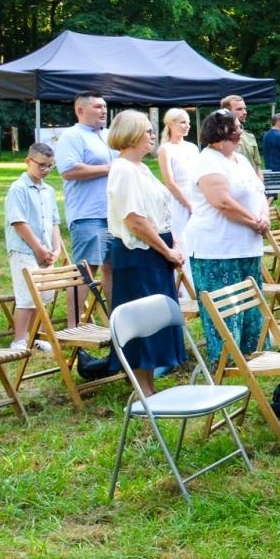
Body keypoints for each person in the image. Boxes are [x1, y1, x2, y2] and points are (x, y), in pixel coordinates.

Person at [103, 110, 187, 395]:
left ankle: (150, 383)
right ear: (132, 134)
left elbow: (160, 213)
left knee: (157, 320)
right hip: (138, 254)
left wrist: (174, 244)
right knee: (141, 321)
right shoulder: (123, 169)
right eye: (147, 131)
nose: (153, 135)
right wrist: (166, 250)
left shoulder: (141, 167)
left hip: (157, 250)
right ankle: (142, 389)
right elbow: (135, 220)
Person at [188, 108, 273, 366]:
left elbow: (259, 193)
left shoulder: (241, 161)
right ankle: (226, 360)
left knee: (249, 305)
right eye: (235, 128)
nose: (240, 132)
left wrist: (264, 218)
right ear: (220, 131)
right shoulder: (207, 161)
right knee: (225, 307)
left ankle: (252, 355)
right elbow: (222, 202)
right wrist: (253, 222)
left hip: (247, 245)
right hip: (216, 248)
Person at [56, 92, 113, 326]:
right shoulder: (72, 135)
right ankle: (73, 326)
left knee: (113, 269)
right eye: (98, 106)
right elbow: (68, 170)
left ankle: (116, 322)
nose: (103, 110)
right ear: (80, 110)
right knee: (86, 270)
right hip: (88, 214)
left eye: (105, 106)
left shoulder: (108, 136)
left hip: (113, 214)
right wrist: (110, 168)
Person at [5, 143, 61, 349]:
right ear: (28, 162)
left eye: (50, 166)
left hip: (46, 250)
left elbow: (54, 221)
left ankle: (37, 335)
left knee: (44, 294)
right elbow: (19, 222)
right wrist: (38, 248)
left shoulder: (49, 190)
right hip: (24, 249)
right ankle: (19, 339)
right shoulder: (18, 189)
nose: (46, 170)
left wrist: (56, 249)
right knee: (27, 295)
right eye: (42, 165)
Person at [156, 108, 199, 284]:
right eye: (182, 122)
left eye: (188, 122)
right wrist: (188, 204)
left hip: (196, 194)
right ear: (170, 124)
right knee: (182, 240)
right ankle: (182, 286)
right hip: (177, 199)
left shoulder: (193, 147)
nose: (186, 126)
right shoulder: (165, 149)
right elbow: (169, 182)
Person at [220, 95, 261, 174]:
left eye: (244, 108)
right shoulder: (218, 137)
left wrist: (260, 185)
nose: (245, 112)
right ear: (227, 112)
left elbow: (257, 167)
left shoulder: (250, 136)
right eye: (239, 109)